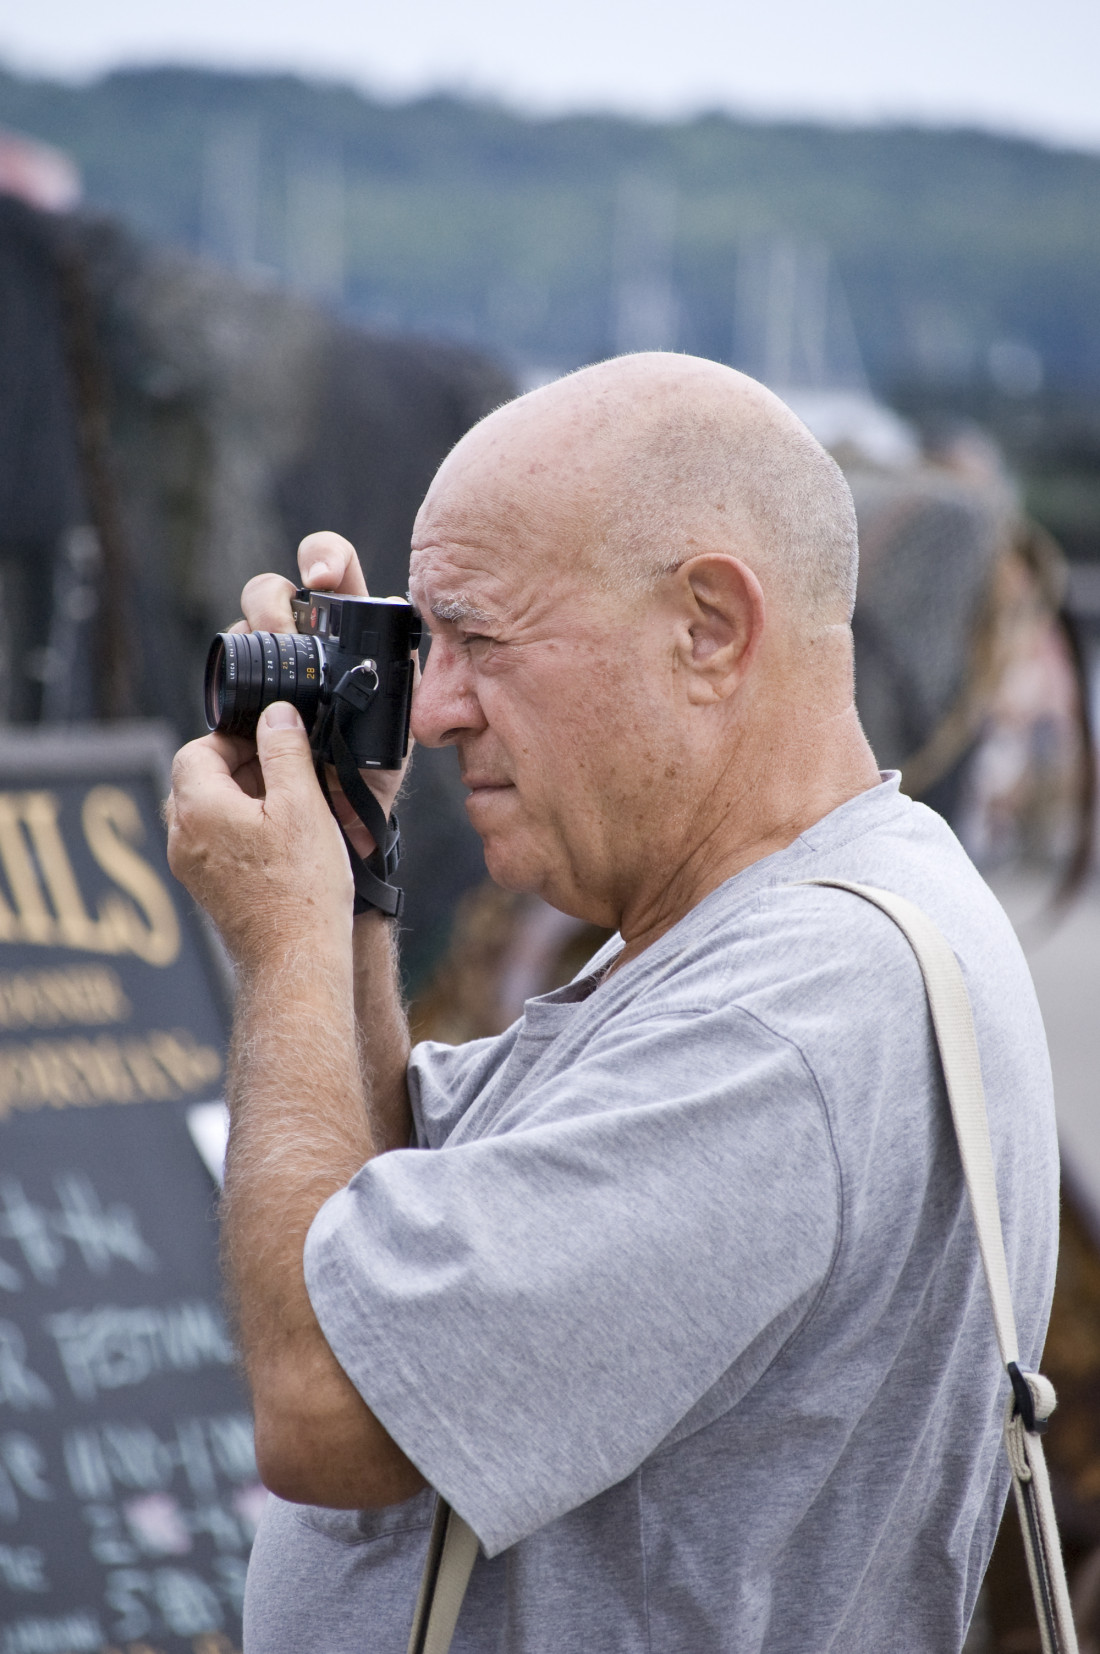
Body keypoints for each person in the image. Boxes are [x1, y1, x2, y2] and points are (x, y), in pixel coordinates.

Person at [166, 352, 1059, 1654]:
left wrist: (284, 933)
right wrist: (354, 887)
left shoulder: (793, 1016)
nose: (440, 706)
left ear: (709, 625)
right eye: (423, 645)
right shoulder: (781, 925)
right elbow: (387, 1241)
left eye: (479, 638)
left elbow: (329, 1403)